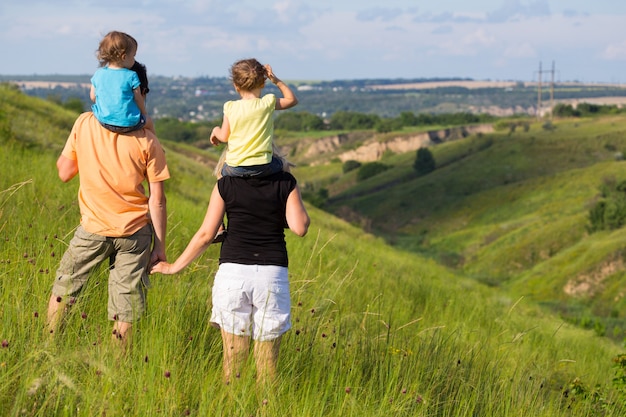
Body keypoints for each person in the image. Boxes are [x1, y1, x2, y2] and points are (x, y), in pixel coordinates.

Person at [150, 155, 310, 385]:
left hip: (233, 275)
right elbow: (300, 227)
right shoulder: (285, 182)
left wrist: (174, 267)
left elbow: (207, 234)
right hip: (271, 276)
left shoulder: (225, 184)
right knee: (268, 366)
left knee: (233, 363)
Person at [46, 110, 169, 348]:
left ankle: (48, 350)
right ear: (141, 95)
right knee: (127, 305)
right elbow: (158, 200)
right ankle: (116, 373)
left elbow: (64, 172)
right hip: (136, 233)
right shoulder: (147, 140)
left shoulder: (85, 123)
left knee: (65, 289)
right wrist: (160, 246)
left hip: (93, 227)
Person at [210, 58, 298, 178]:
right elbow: (292, 100)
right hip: (264, 166)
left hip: (235, 168)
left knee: (221, 177)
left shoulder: (230, 107)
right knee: (284, 166)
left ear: (236, 86)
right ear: (262, 83)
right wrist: (276, 80)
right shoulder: (267, 103)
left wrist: (215, 130)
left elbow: (224, 137)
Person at [90, 31, 154, 134]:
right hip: (128, 124)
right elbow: (138, 98)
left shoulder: (98, 73)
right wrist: (144, 113)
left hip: (103, 120)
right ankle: (157, 145)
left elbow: (93, 97)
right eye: (133, 56)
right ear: (124, 57)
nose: (134, 60)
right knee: (149, 122)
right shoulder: (132, 75)